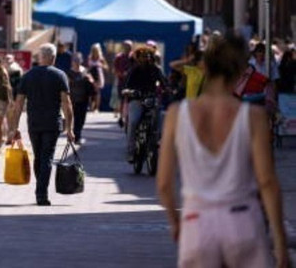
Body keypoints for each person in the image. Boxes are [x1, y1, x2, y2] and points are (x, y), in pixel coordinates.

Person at [157, 35, 288, 268]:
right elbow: (267, 181)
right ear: (239, 71)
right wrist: (280, 243)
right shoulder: (252, 117)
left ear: (205, 67)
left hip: (197, 223)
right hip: (241, 220)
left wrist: (175, 221)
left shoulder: (178, 114)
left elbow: (164, 183)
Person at [10, 43, 74, 206]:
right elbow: (67, 103)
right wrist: (70, 129)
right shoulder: (60, 75)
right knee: (46, 158)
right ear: (53, 58)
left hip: (34, 122)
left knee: (39, 157)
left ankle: (40, 190)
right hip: (52, 123)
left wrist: (14, 127)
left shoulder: (28, 76)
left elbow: (18, 105)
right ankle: (41, 193)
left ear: (39, 57)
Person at [123, 46, 167, 163]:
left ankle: (158, 142)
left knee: (161, 118)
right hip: (137, 100)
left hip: (151, 100)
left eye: (148, 56)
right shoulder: (134, 71)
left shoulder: (156, 70)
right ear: (138, 58)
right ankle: (131, 152)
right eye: (142, 56)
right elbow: (126, 86)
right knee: (133, 122)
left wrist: (167, 89)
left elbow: (164, 83)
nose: (145, 59)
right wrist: (129, 92)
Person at [67, 54, 95, 145]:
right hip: (72, 99)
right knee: (74, 119)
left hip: (84, 99)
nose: (76, 62)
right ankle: (76, 137)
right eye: (75, 61)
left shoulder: (85, 71)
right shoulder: (69, 73)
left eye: (78, 60)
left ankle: (77, 135)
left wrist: (90, 80)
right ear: (72, 62)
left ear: (81, 61)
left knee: (81, 119)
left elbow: (92, 84)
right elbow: (66, 86)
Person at [112, 40, 133, 117]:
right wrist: (121, 74)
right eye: (126, 46)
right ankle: (121, 115)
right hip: (121, 82)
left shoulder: (133, 57)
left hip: (131, 82)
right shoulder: (118, 57)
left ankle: (127, 115)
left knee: (130, 99)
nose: (128, 48)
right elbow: (115, 70)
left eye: (129, 46)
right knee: (122, 98)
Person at [87, 43, 107, 112]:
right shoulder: (89, 57)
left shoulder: (101, 58)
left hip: (98, 76)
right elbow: (87, 67)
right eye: (93, 50)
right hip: (91, 76)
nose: (95, 51)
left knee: (97, 92)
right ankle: (90, 107)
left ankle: (97, 108)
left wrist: (100, 65)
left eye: (96, 50)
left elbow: (106, 67)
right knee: (90, 92)